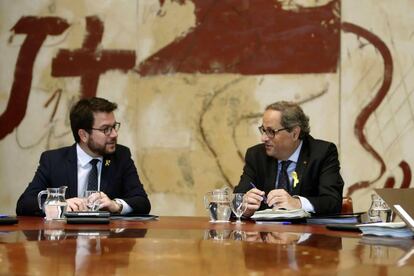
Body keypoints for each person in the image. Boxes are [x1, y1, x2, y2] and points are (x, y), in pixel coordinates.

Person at [16, 97, 151, 215]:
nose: (114, 134)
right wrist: (56, 205)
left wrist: (116, 205)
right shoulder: (54, 161)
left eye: (114, 126)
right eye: (106, 129)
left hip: (107, 242)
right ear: (83, 135)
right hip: (64, 241)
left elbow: (142, 201)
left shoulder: (120, 157)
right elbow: (25, 203)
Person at [234, 101, 344, 216]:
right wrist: (244, 205)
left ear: (295, 133)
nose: (264, 138)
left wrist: (297, 203)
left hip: (308, 232)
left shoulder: (322, 153)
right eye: (263, 130)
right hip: (265, 232)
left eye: (271, 131)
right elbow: (237, 199)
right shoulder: (256, 155)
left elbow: (332, 202)